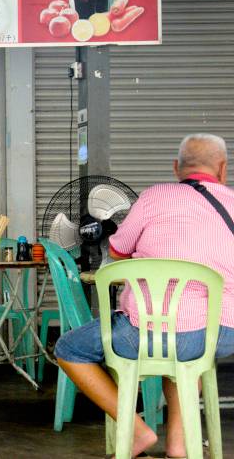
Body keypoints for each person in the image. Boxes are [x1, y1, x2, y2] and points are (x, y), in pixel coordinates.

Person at [54, 133, 234, 458]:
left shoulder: (157, 196)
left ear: (177, 168)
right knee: (183, 355)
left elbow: (119, 252)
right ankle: (179, 447)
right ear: (222, 170)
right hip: (218, 333)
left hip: (148, 330)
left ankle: (137, 431)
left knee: (69, 348)